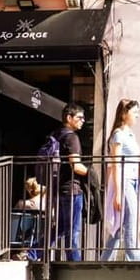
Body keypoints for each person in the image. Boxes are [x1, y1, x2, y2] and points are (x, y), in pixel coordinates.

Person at [101, 99, 140, 262]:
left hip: (134, 181)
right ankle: (138, 264)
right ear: (124, 114)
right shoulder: (118, 135)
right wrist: (118, 193)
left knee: (120, 227)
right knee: (131, 224)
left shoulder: (130, 135)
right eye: (134, 112)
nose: (137, 116)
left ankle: (103, 264)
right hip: (125, 182)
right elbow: (116, 164)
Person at [53, 103, 88, 261]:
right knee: (72, 231)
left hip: (60, 188)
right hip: (72, 189)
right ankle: (74, 263)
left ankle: (34, 252)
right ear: (69, 118)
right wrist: (91, 173)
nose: (83, 121)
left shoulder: (57, 134)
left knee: (60, 227)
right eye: (79, 117)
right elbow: (75, 165)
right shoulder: (72, 137)